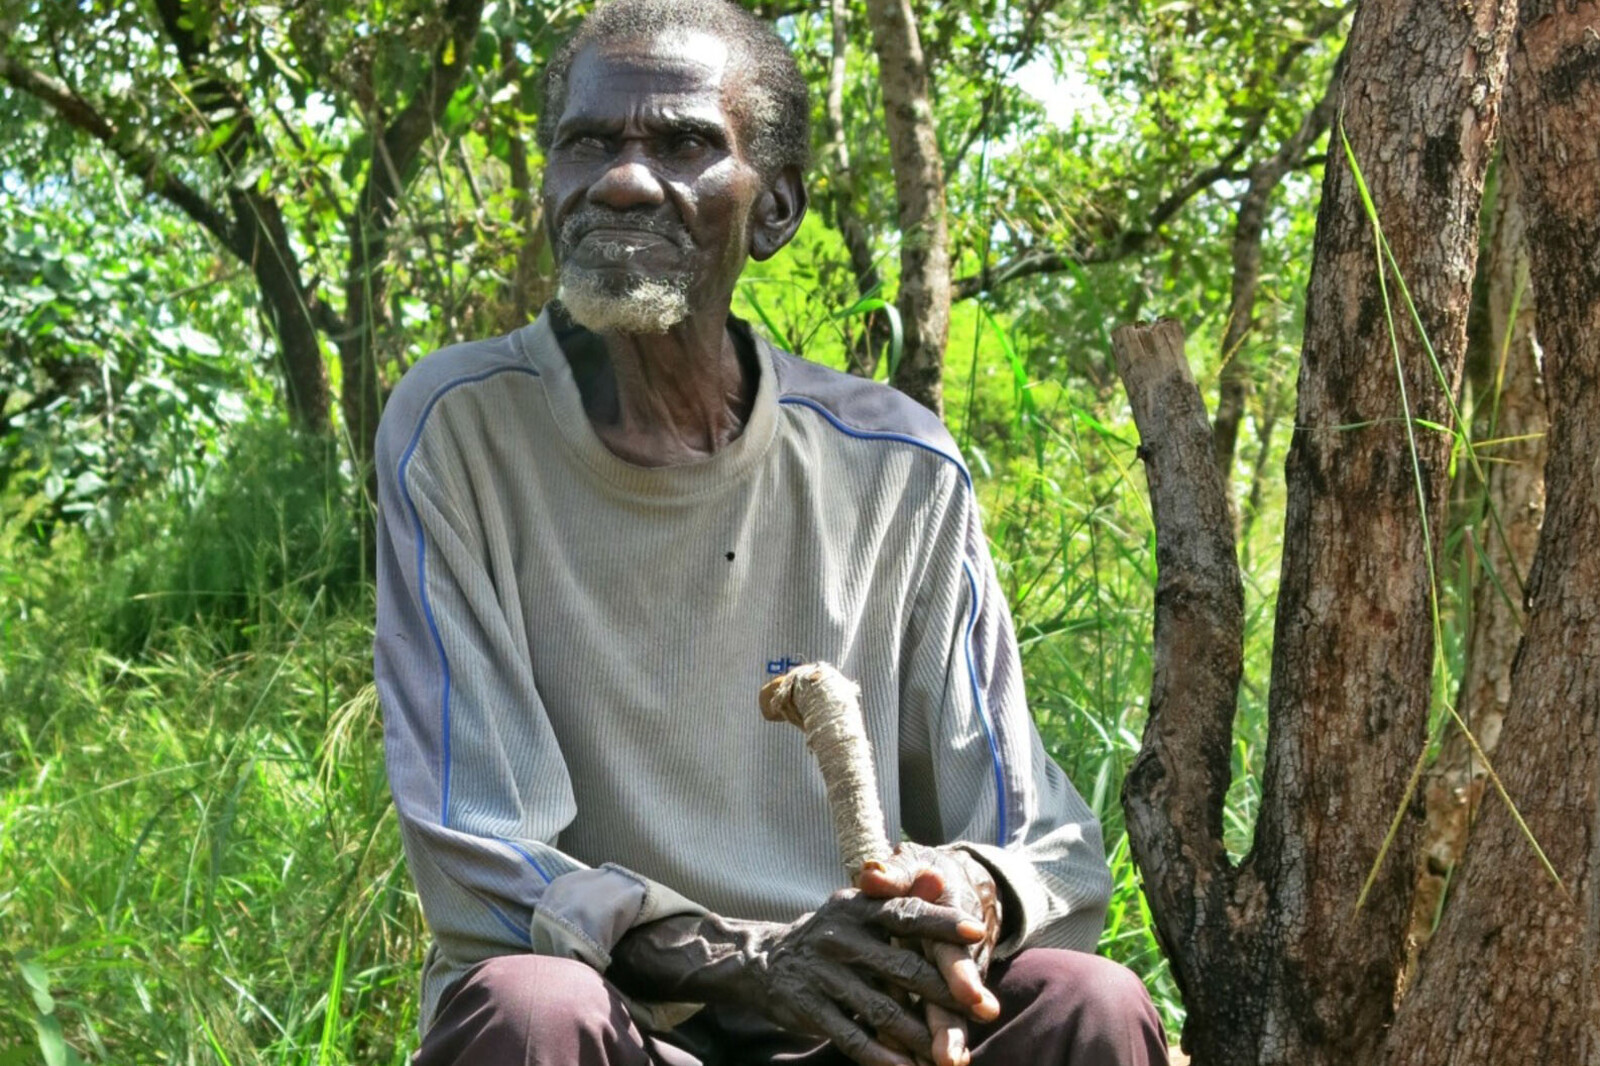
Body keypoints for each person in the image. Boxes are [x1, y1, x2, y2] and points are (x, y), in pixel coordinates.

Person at [373, 1, 1169, 1063]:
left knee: (1086, 1003)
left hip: (864, 1019)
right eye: (588, 144)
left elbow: (1045, 840)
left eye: (684, 144)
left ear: (776, 207)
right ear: (550, 188)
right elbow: (484, 855)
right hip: (630, 1017)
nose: (622, 178)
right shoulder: (458, 431)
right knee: (527, 1008)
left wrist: (968, 889)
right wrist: (750, 956)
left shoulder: (896, 464)